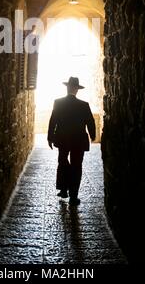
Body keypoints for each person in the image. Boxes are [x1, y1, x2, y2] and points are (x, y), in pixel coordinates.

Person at [47, 76, 96, 206]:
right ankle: (73, 196)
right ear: (77, 90)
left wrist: (50, 137)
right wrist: (93, 135)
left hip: (63, 138)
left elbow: (53, 121)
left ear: (67, 88)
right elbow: (90, 121)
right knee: (77, 166)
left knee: (63, 161)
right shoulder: (84, 105)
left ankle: (63, 189)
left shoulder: (58, 102)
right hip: (78, 139)